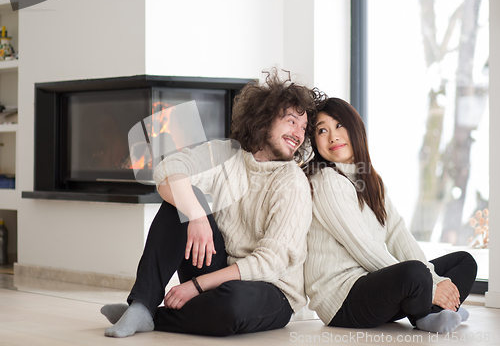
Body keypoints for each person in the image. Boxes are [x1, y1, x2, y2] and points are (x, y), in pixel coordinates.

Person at [101, 70, 319, 337]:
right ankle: (142, 305)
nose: (298, 133)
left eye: (303, 127)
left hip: (272, 289)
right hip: (220, 268)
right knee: (180, 200)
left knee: (232, 304)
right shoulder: (225, 153)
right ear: (264, 117)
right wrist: (196, 215)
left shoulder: (292, 182)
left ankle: (152, 316)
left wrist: (196, 286)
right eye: (291, 121)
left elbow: (270, 263)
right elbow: (168, 169)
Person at [304, 97, 477, 334]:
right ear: (315, 141)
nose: (333, 136)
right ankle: (428, 312)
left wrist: (434, 280)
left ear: (356, 129)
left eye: (339, 125)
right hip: (342, 301)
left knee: (464, 262)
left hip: (374, 287)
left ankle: (433, 311)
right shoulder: (325, 181)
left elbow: (398, 234)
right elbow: (362, 247)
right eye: (322, 130)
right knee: (416, 273)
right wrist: (429, 283)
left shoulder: (372, 181)